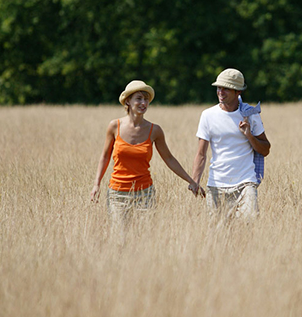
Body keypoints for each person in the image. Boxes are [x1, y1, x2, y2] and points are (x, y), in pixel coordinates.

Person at [90, 80, 203, 241]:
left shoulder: (154, 130)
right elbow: (105, 156)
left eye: (146, 99)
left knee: (143, 240)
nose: (143, 103)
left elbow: (169, 158)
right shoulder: (114, 126)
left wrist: (191, 181)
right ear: (128, 101)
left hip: (145, 194)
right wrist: (96, 184)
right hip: (117, 194)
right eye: (139, 98)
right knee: (120, 241)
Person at [191, 68, 271, 221]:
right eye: (219, 87)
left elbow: (266, 149)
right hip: (216, 185)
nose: (220, 91)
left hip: (245, 184)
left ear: (238, 92)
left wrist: (249, 135)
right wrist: (195, 181)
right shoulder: (208, 115)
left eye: (226, 88)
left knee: (249, 229)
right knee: (218, 237)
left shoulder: (250, 114)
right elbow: (201, 153)